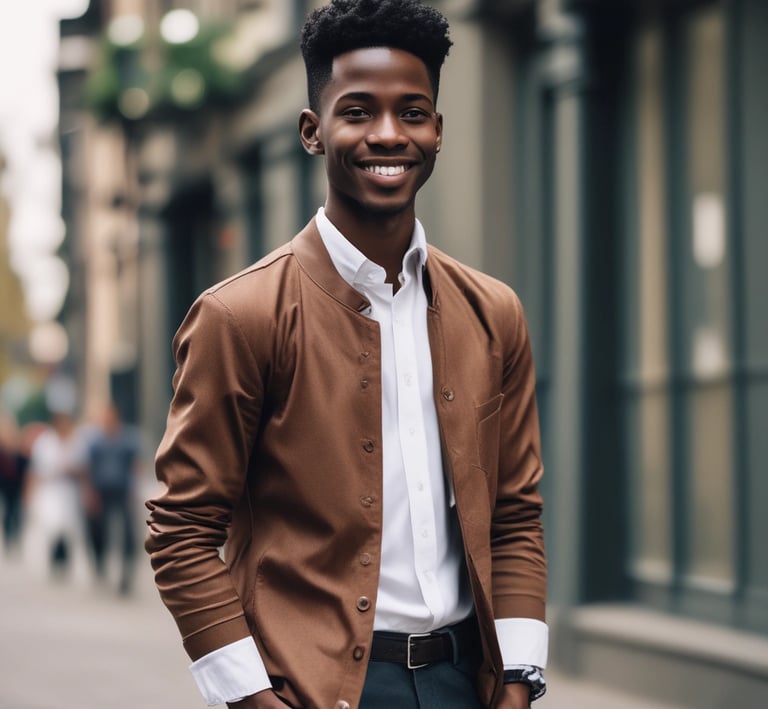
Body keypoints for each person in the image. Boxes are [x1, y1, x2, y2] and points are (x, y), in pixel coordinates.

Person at [146, 1, 548, 708]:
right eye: (358, 111)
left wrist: (518, 679)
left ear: (438, 130)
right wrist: (250, 696)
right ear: (313, 130)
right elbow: (181, 530)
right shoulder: (240, 315)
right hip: (315, 687)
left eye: (412, 112)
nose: (389, 134)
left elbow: (514, 514)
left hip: (466, 682)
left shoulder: (494, 313)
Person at [83, 402, 142, 594]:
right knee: (98, 529)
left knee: (128, 532)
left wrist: (134, 491)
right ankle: (100, 563)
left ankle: (127, 571)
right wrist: (90, 493)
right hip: (101, 491)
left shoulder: (128, 438)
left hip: (122, 490)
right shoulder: (96, 442)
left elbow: (135, 465)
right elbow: (89, 469)